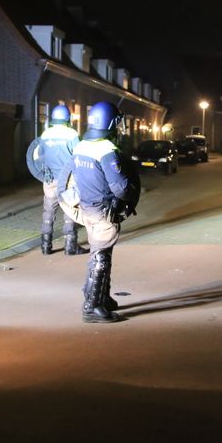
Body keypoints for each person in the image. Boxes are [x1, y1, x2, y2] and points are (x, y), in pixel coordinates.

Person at [60, 101, 139, 323]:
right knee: (100, 257)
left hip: (87, 208)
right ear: (111, 122)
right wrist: (131, 194)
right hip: (103, 212)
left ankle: (101, 296)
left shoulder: (81, 146)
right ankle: (91, 306)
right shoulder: (107, 151)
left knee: (102, 253)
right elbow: (121, 188)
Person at [35, 103, 88, 255]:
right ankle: (70, 246)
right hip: (68, 179)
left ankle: (45, 247)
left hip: (50, 179)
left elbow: (39, 156)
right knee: (70, 210)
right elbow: (79, 155)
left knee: (48, 212)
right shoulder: (72, 134)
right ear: (67, 118)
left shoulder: (45, 134)